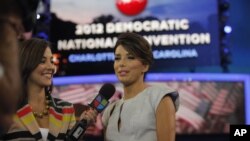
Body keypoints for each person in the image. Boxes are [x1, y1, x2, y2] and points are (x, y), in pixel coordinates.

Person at [0, 38, 97, 141]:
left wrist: (80, 127)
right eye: (42, 61)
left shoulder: (66, 109)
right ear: (27, 63)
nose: (51, 67)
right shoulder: (7, 111)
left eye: (51, 61)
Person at [102, 32, 179, 141]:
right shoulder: (109, 111)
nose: (121, 64)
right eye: (117, 58)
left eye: (130, 57)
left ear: (145, 66)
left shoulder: (159, 98)